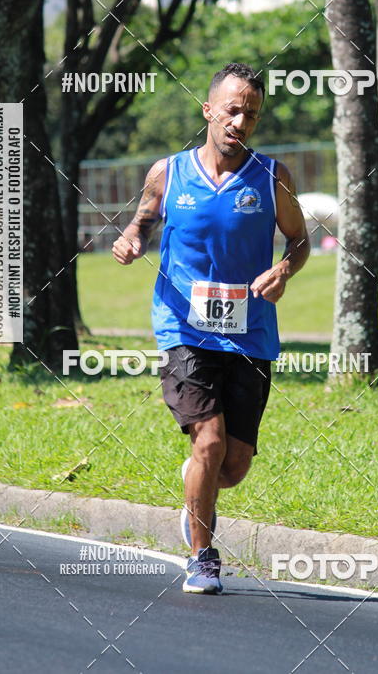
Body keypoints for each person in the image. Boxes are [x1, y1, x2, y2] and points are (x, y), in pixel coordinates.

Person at [112, 62, 310, 593]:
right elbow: (145, 218)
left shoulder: (272, 177)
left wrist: (284, 269)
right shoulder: (168, 172)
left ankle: (196, 490)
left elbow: (299, 240)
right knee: (210, 440)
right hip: (184, 326)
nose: (240, 121)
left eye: (252, 113)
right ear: (208, 110)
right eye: (232, 109)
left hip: (251, 331)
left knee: (234, 462)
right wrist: (132, 239)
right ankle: (201, 556)